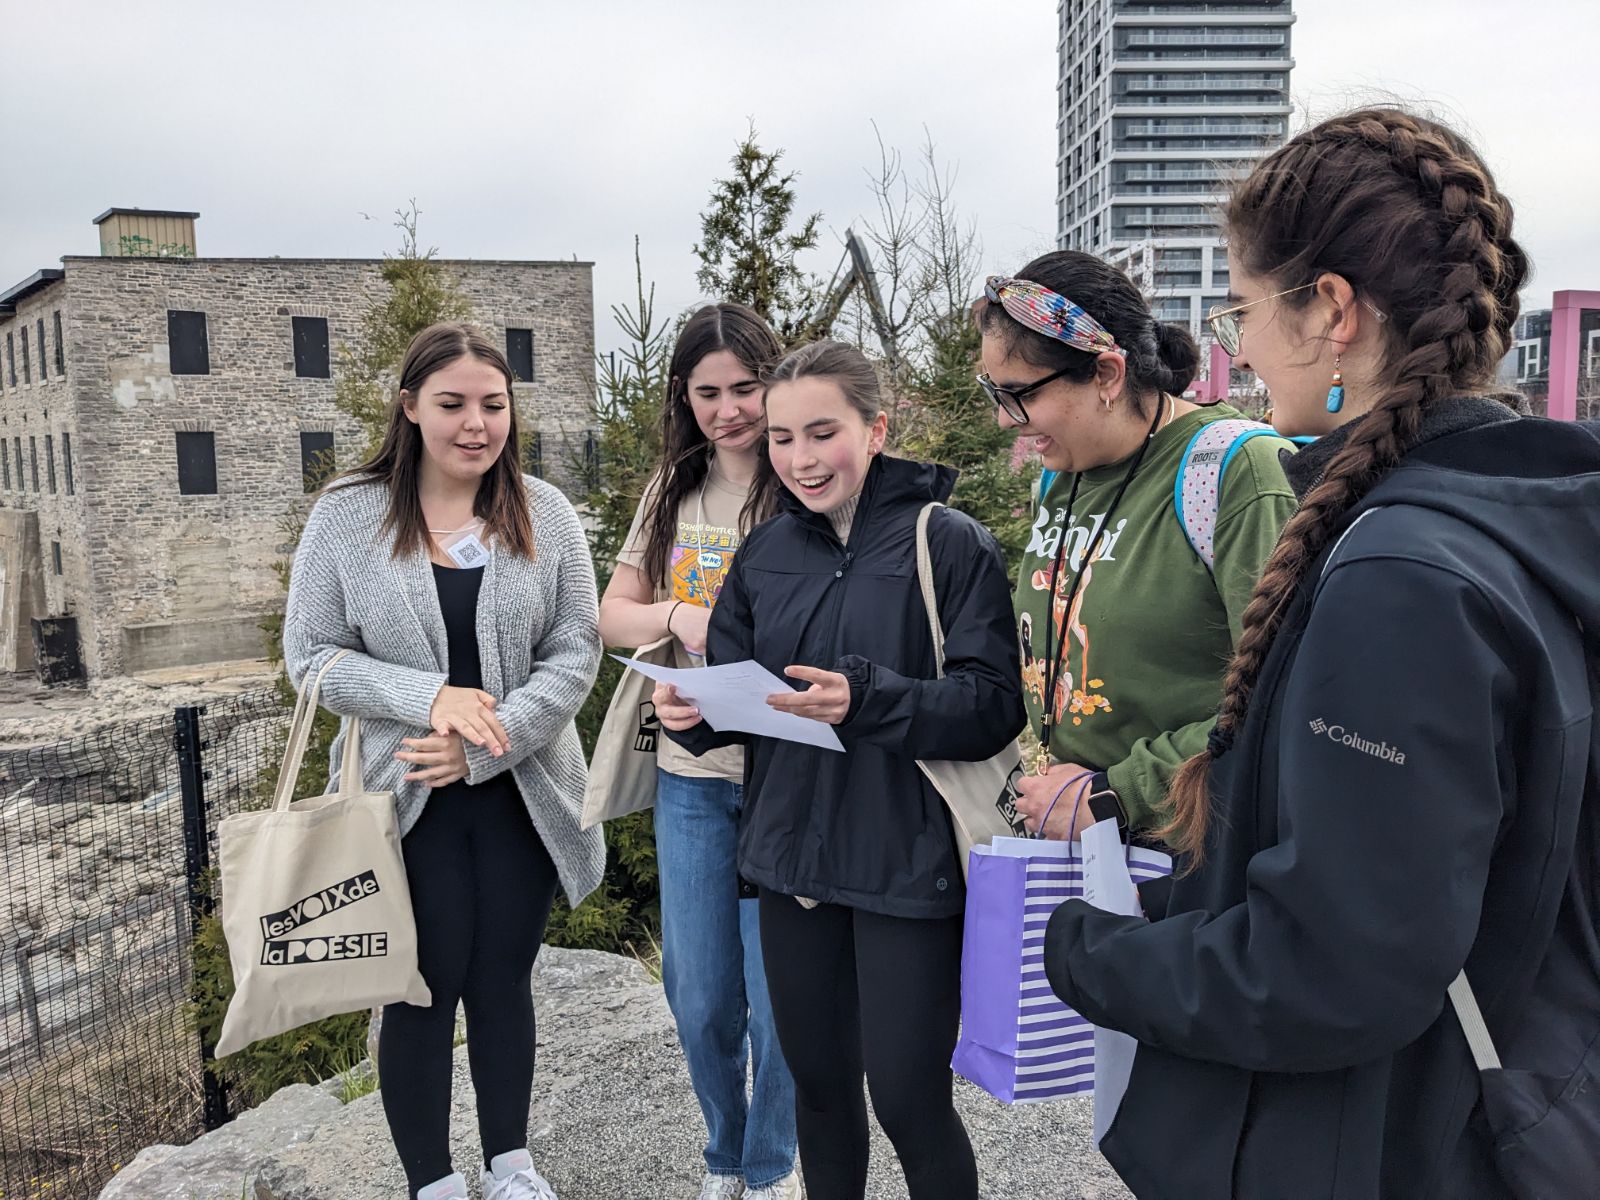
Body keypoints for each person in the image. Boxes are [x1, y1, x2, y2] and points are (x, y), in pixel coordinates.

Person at [1044, 108, 1600, 1198]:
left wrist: (1086, 954)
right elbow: (1425, 868)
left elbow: (1334, 970)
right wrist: (1178, 909)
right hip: (1522, 1087)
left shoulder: (1402, 576)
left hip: (1406, 1140)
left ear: (1329, 311)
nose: (1234, 346)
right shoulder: (1525, 510)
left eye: (1242, 309)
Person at [653, 341, 1026, 1200]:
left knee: (909, 1100)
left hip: (906, 860)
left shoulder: (950, 541)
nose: (802, 459)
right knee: (820, 1094)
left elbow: (992, 705)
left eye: (824, 433)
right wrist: (697, 712)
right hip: (793, 865)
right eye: (783, 438)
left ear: (878, 427)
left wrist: (866, 699)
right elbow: (741, 690)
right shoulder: (765, 552)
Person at [284, 323, 603, 1200]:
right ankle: (433, 1180)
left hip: (520, 794)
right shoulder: (346, 516)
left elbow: (576, 651)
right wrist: (429, 698)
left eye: (493, 405)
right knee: (417, 990)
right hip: (402, 798)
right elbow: (310, 656)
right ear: (409, 406)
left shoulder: (544, 511)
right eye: (453, 404)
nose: (476, 424)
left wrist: (488, 745)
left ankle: (511, 1163)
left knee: (502, 979)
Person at [977, 252, 1298, 841]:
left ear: (1106, 374)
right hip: (1078, 841)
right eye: (993, 391)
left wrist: (1117, 794)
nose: (1004, 418)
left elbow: (1282, 699)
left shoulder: (1236, 473)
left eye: (1019, 393)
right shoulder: (1060, 473)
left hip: (1184, 861)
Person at [598, 303, 800, 1200]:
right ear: (685, 397)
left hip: (791, 772)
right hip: (691, 775)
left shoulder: (804, 475)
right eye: (708, 392)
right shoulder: (672, 490)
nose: (730, 410)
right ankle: (724, 1151)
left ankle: (766, 1168)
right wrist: (681, 617)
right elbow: (612, 612)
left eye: (746, 388)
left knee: (782, 996)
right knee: (702, 996)